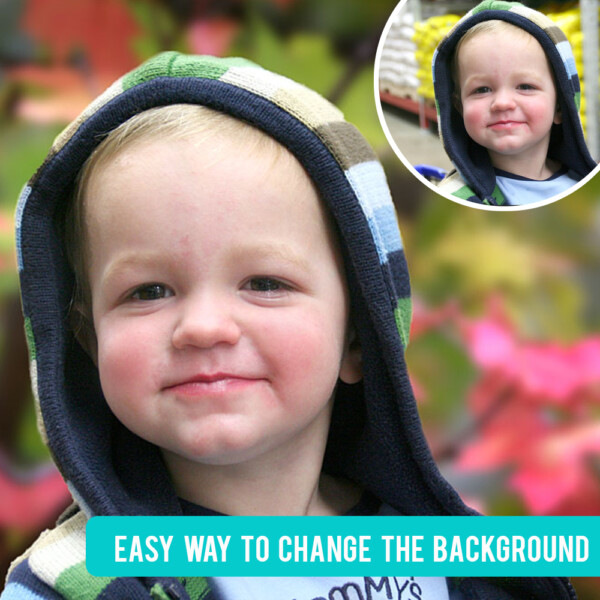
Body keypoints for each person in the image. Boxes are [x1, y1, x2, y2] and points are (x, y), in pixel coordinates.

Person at [2, 52, 576, 599]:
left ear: (359, 333)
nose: (203, 327)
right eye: (147, 291)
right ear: (88, 339)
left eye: (265, 283)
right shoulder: (76, 582)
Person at [432, 0, 597, 207]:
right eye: (481, 90)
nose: (502, 103)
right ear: (459, 107)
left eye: (525, 86)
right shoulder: (455, 202)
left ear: (560, 106)